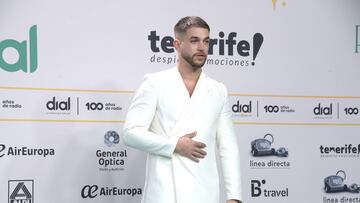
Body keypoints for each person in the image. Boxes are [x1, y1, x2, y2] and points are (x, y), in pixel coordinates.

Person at [123, 16, 242, 203]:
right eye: (194, 40)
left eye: (206, 41)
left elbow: (228, 146)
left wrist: (234, 196)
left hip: (204, 192)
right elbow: (131, 133)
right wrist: (175, 145)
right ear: (177, 45)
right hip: (164, 192)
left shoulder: (218, 90)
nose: (202, 47)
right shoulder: (155, 84)